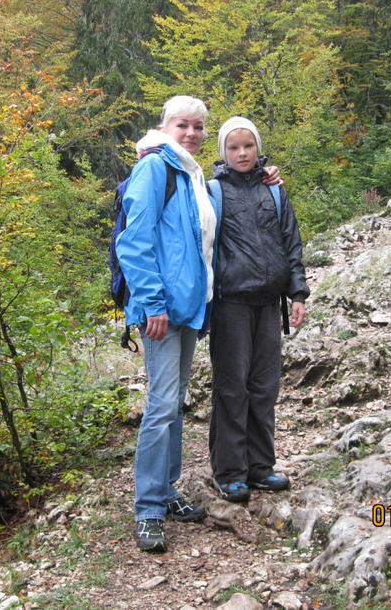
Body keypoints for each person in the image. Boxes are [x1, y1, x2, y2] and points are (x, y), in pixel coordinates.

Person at [116, 97, 281, 552]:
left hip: (189, 309)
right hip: (161, 311)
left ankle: (166, 492)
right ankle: (148, 508)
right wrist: (150, 303)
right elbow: (134, 241)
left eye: (198, 126)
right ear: (164, 126)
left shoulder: (189, 173)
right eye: (182, 124)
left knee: (174, 403)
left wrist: (266, 178)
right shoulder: (155, 169)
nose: (190, 131)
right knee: (163, 403)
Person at [208, 116, 309, 503]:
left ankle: (260, 468)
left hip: (270, 304)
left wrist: (297, 294)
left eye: (248, 146)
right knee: (232, 388)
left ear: (257, 147)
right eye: (233, 147)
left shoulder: (275, 192)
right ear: (223, 152)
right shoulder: (212, 191)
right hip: (230, 304)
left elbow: (291, 243)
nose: (242, 153)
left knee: (264, 388)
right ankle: (229, 470)